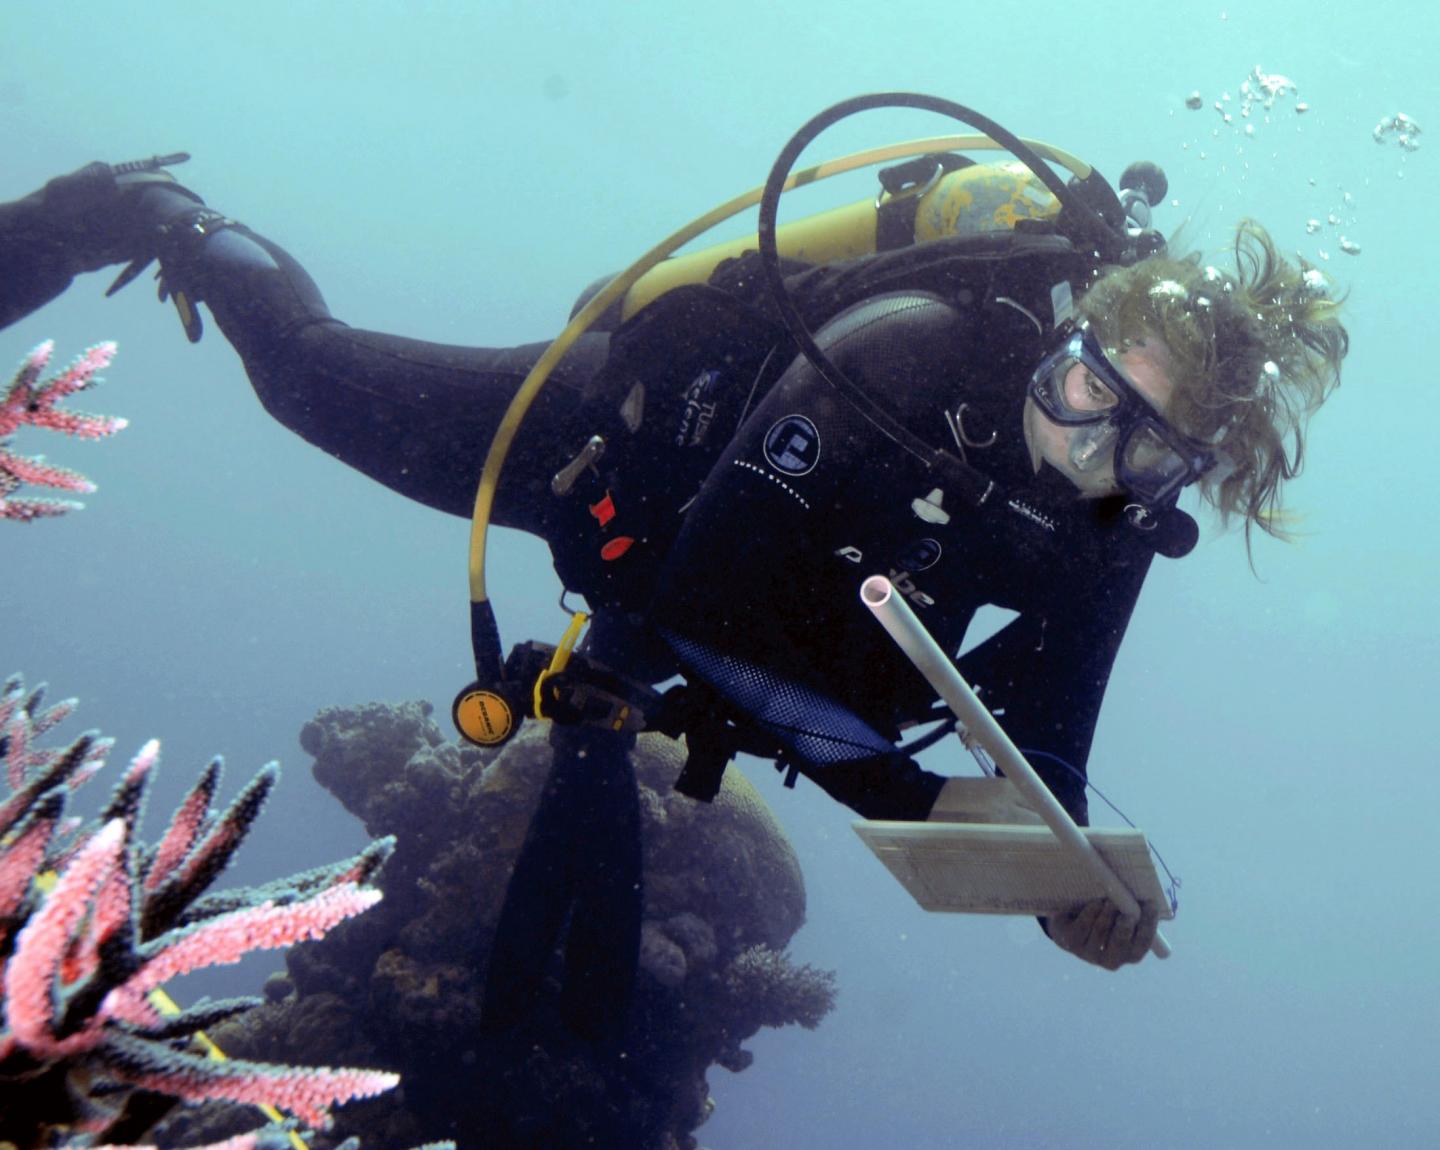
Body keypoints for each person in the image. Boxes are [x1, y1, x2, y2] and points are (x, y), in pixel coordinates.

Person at [0, 132, 1345, 1003]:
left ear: (1184, 475)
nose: (1081, 439)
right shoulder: (915, 341)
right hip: (606, 459)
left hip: (733, 622)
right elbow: (696, 593)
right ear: (1064, 337)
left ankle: (598, 708)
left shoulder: (1107, 530)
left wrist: (1073, 884)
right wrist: (906, 792)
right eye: (1082, 384)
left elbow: (1043, 748)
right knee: (305, 376)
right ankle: (153, 212)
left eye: (1140, 446)